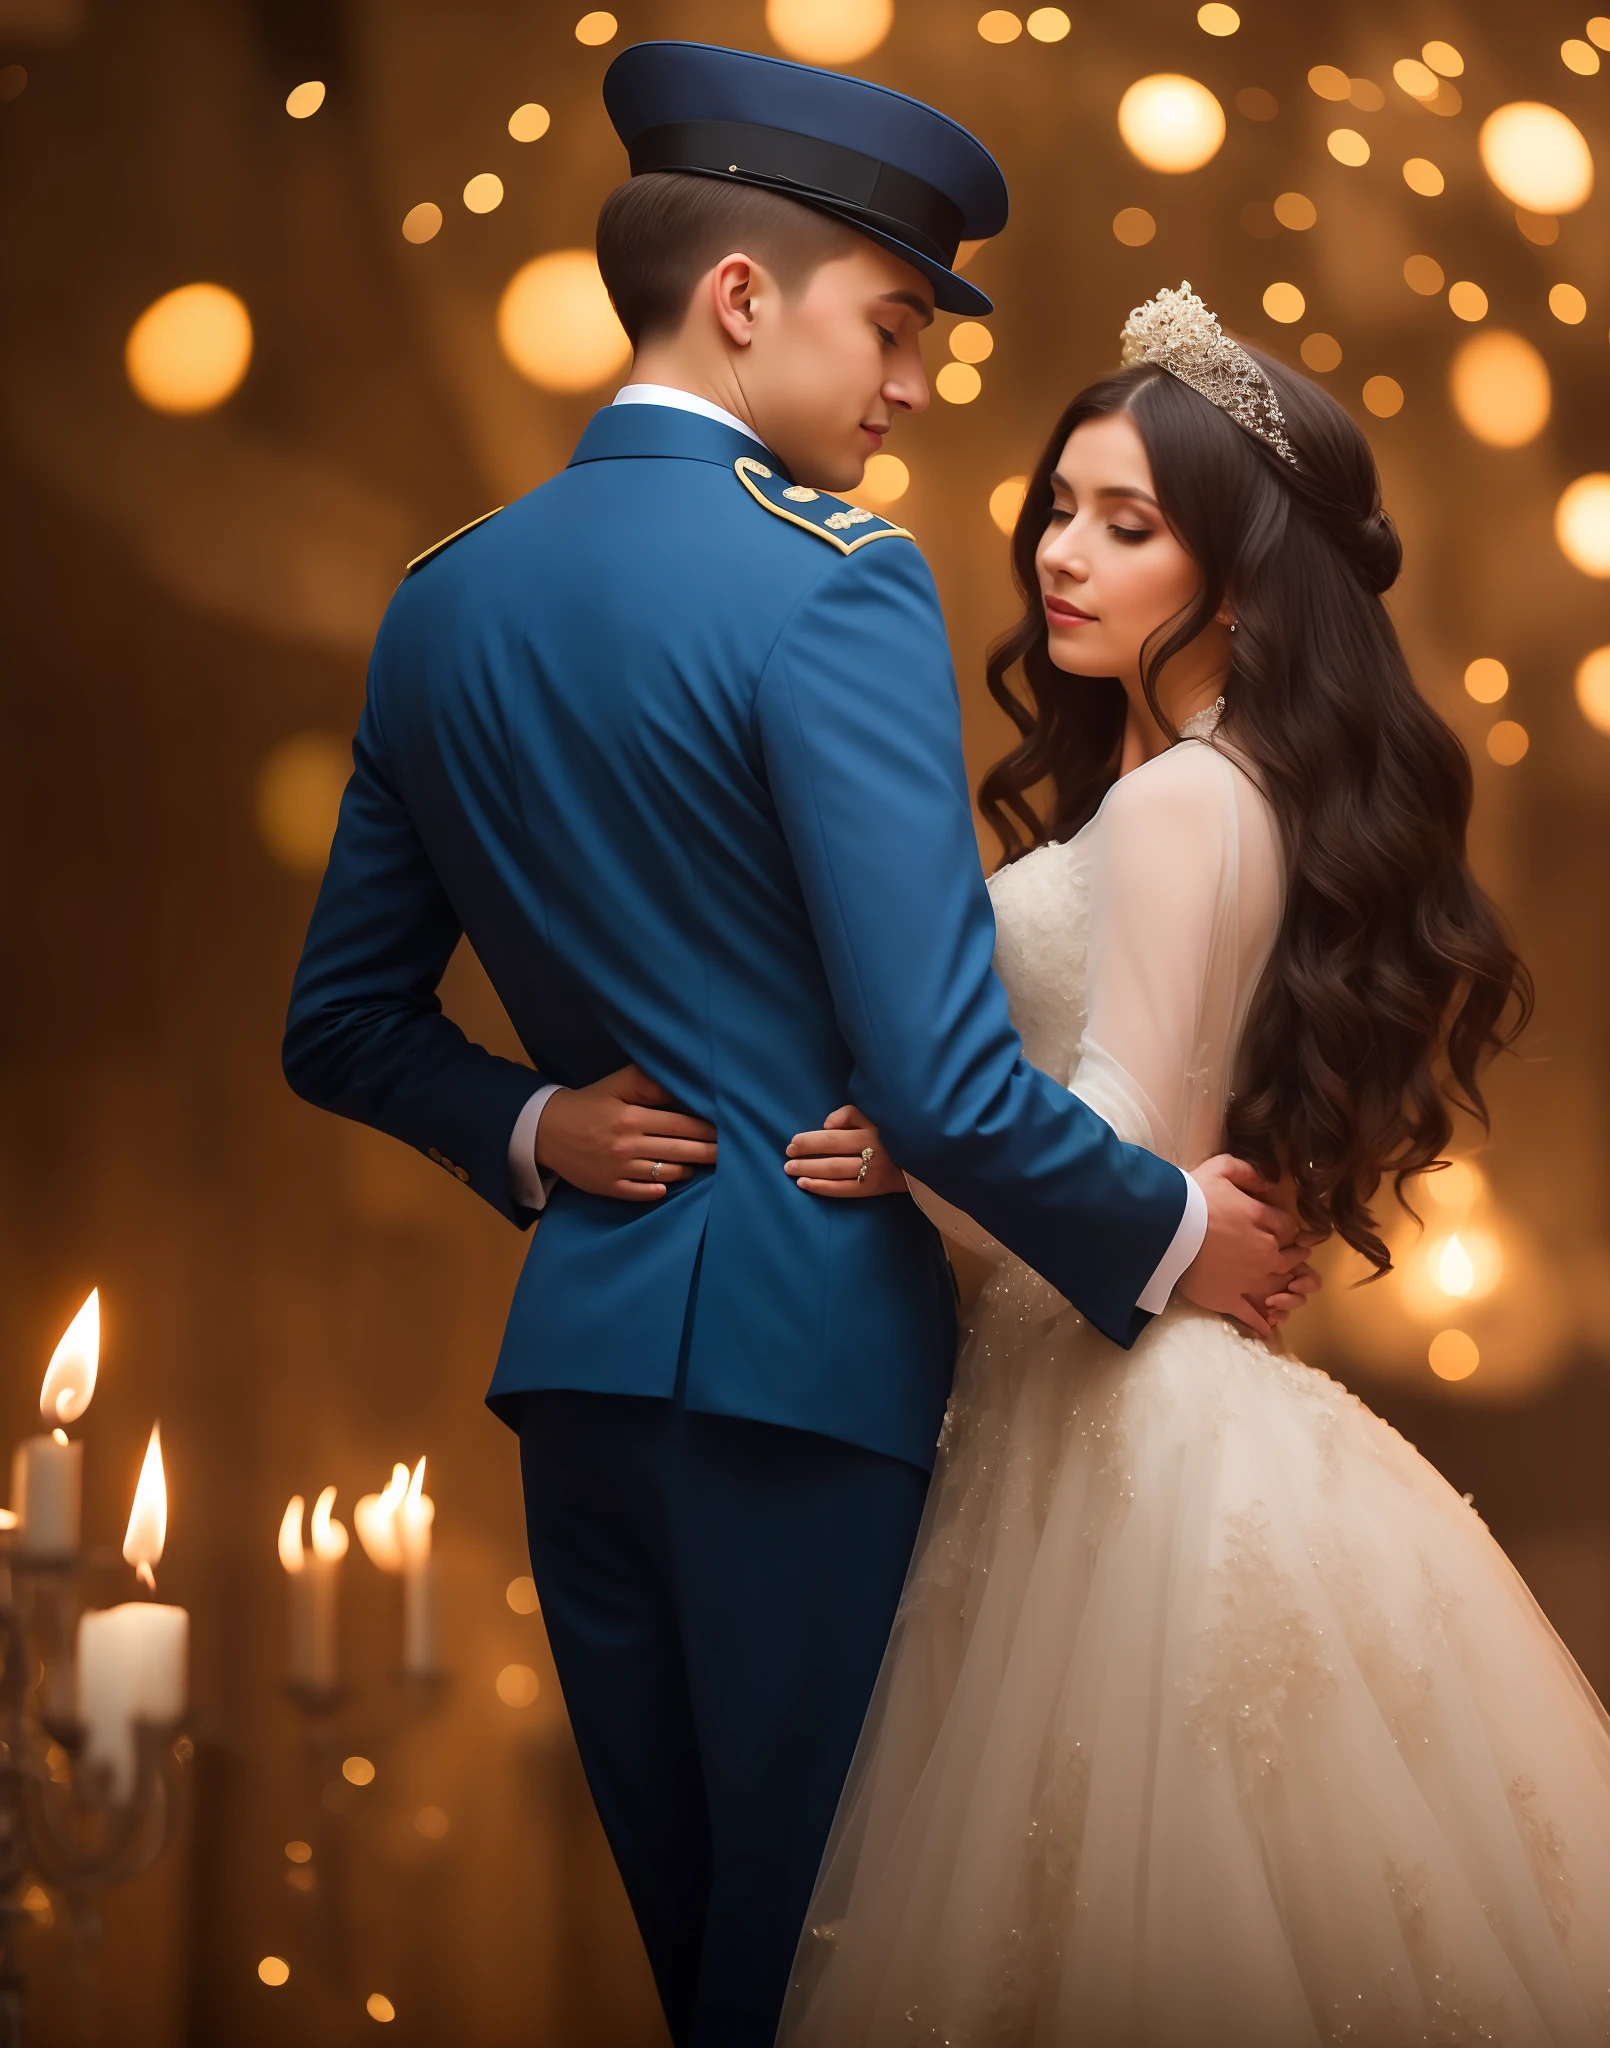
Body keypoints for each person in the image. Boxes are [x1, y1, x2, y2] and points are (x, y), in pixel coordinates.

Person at [279, 47, 1311, 2046]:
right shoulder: (834, 585)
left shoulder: (441, 601)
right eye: (896, 322)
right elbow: (927, 1080)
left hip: (578, 1380)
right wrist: (1174, 1231)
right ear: (742, 300)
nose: (918, 384)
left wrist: (529, 1121)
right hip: (810, 1367)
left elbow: (338, 1025)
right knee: (829, 1963)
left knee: (713, 1979)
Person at [776, 287, 1610, 2046]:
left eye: (1128, 523)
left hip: (1110, 1412)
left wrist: (915, 1154)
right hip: (1138, 1379)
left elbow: (1120, 1125)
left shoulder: (1179, 801)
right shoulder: (1240, 785)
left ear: (1240, 580)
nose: (1060, 556)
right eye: (1057, 509)